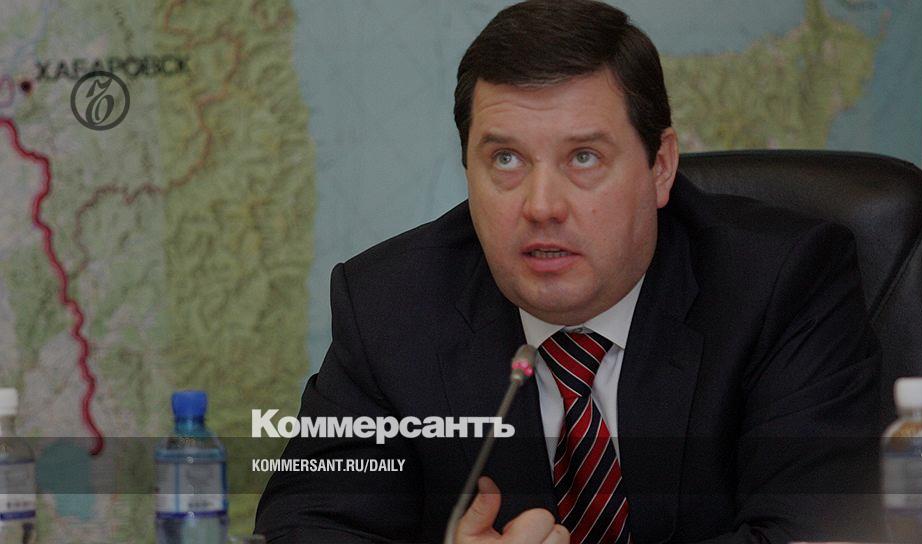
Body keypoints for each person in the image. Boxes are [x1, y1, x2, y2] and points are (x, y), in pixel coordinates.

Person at [255, 1, 882, 542]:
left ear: (661, 167)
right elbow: (306, 524)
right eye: (506, 159)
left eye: (584, 157)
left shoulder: (781, 285)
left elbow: (811, 533)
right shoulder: (391, 307)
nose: (541, 206)